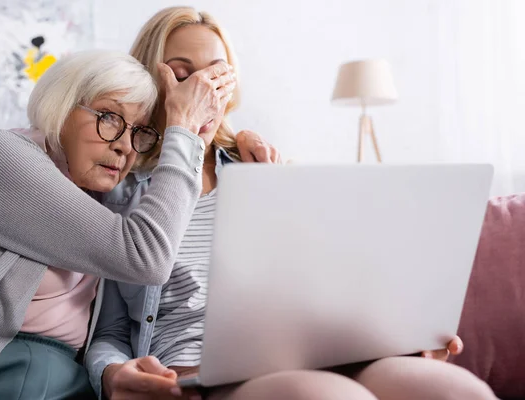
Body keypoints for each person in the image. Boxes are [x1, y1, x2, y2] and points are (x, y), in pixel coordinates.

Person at [86, 7, 496, 400]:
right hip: (201, 371)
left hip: (321, 353)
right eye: (182, 75)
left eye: (217, 74)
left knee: (455, 390)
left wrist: (402, 332)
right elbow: (107, 329)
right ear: (150, 83)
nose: (204, 90)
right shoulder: (119, 190)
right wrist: (109, 373)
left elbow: (332, 282)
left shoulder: (262, 167)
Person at [0, 49, 276, 400]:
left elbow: (113, 325)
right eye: (109, 117)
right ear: (61, 105)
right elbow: (145, 256)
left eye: (140, 132)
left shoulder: (104, 196)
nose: (125, 145)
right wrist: (185, 130)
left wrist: (232, 141)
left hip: (70, 380)